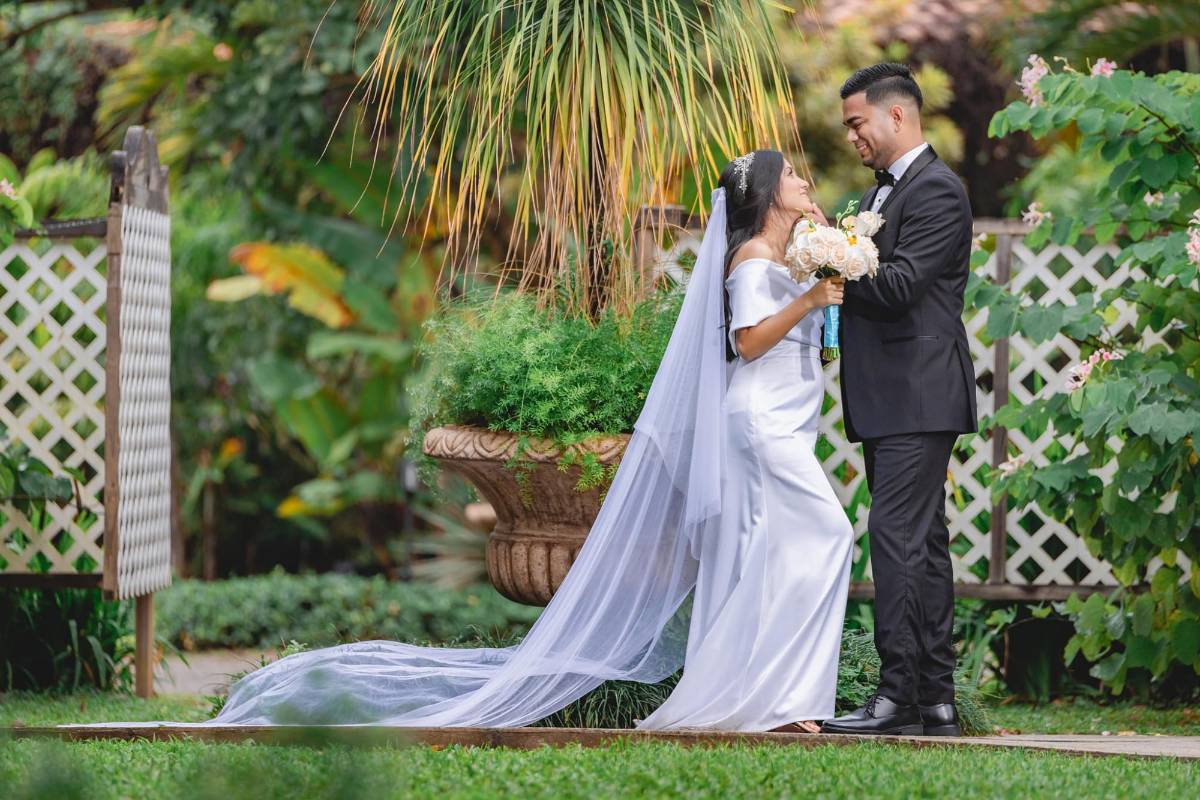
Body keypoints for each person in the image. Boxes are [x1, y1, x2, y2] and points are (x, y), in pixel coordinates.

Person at [820, 63, 977, 738]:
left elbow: (903, 285)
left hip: (918, 392)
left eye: (857, 123)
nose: (851, 135)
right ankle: (933, 698)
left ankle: (894, 698)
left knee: (894, 537)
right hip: (894, 397)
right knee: (925, 545)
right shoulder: (880, 195)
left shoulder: (938, 190)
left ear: (896, 117)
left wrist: (832, 263)